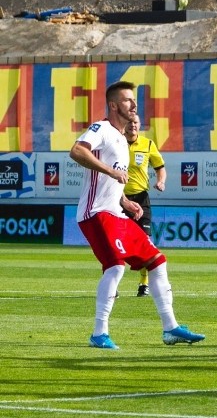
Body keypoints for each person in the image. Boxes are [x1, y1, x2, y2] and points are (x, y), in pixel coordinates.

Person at [70, 81, 204, 350]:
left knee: (157, 260)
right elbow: (77, 151)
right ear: (113, 105)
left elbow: (112, 179)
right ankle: (99, 333)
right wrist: (110, 171)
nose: (133, 105)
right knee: (116, 266)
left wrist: (125, 201)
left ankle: (170, 328)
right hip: (95, 213)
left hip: (116, 212)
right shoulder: (102, 129)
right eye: (128, 100)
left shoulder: (121, 138)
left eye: (133, 100)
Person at [123, 114, 167, 297]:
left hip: (141, 198)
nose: (132, 125)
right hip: (119, 199)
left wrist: (161, 182)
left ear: (140, 125)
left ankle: (144, 283)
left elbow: (160, 167)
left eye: (135, 122)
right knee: (117, 244)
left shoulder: (147, 144)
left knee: (145, 241)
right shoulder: (116, 143)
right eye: (129, 122)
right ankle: (112, 285)